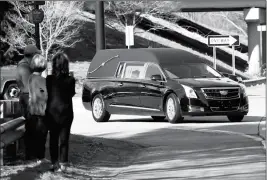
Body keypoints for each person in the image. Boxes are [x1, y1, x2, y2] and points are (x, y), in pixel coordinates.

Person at [46, 52, 76, 172]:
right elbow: (72, 94)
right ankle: (64, 163)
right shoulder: (70, 80)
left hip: (52, 113)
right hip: (66, 112)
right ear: (66, 65)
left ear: (54, 65)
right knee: (64, 139)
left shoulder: (49, 79)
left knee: (53, 138)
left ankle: (54, 162)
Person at [15, 44, 41, 161]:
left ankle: (30, 153)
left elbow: (20, 83)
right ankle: (30, 154)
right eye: (36, 54)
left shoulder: (22, 64)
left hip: (25, 97)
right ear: (32, 55)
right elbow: (29, 86)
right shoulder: (25, 67)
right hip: (28, 98)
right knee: (31, 126)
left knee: (30, 126)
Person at [28, 54, 48, 163]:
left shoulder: (31, 78)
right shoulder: (41, 80)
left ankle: (35, 157)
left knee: (35, 134)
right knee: (42, 136)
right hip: (41, 110)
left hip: (32, 109)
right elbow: (47, 94)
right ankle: (41, 157)